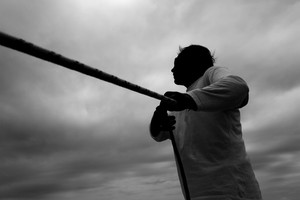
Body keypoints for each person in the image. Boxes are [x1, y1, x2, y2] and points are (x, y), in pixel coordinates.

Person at [149, 45, 262, 200]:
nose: (172, 70)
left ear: (193, 62)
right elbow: (160, 134)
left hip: (234, 193)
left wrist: (187, 99)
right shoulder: (181, 105)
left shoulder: (210, 75)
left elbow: (239, 88)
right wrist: (158, 118)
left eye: (176, 63)